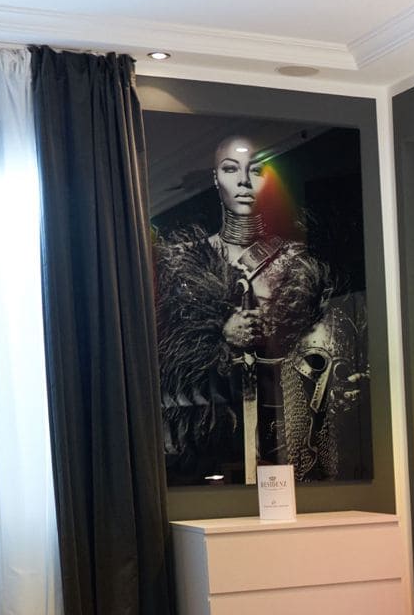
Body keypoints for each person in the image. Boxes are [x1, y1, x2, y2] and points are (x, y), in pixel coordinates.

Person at [155, 134, 366, 484]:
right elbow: (166, 362)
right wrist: (221, 335)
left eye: (254, 171)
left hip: (284, 432)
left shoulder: (297, 264)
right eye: (230, 169)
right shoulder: (182, 264)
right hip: (213, 444)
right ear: (215, 179)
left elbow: (320, 347)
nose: (243, 181)